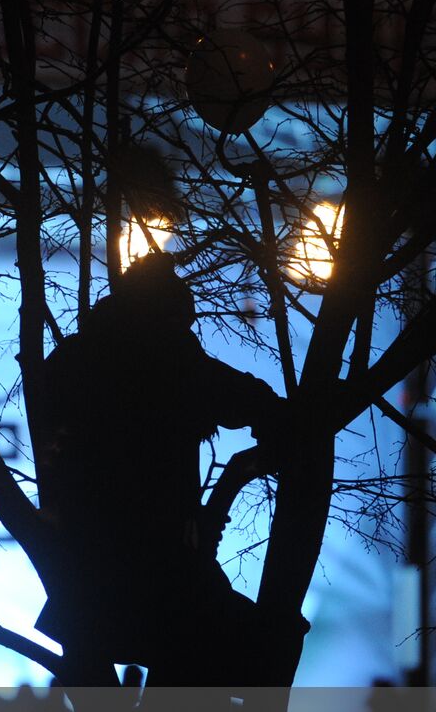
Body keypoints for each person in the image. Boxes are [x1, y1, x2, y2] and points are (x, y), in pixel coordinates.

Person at [36, 254, 284, 683]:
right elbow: (239, 396)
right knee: (233, 647)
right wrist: (283, 424)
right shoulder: (165, 356)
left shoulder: (78, 357)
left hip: (91, 551)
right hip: (150, 552)